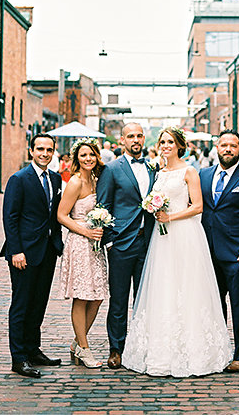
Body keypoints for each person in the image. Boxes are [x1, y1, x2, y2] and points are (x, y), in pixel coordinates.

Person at [122, 127, 231, 376]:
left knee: (188, 288)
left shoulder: (189, 171)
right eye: (162, 142)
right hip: (163, 239)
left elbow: (198, 206)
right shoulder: (158, 173)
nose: (165, 145)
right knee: (164, 287)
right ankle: (162, 352)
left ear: (179, 145)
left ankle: (194, 352)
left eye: (170, 141)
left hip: (185, 234)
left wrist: (170, 216)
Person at [0, 133, 64, 378]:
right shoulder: (19, 179)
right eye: (40, 149)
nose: (44, 153)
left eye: (49, 149)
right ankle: (19, 359)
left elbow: (53, 215)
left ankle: (33, 350)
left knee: (38, 304)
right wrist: (16, 250)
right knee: (21, 305)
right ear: (31, 151)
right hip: (23, 253)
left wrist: (57, 245)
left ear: (53, 152)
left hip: (47, 252)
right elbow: (10, 217)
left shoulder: (55, 178)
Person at [199, 130, 239, 373]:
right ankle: (217, 351)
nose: (228, 149)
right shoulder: (203, 175)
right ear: (217, 146)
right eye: (224, 144)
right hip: (206, 252)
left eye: (233, 145)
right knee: (213, 305)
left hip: (236, 254)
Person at [96, 122, 158, 370]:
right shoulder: (112, 169)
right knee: (119, 299)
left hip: (150, 242)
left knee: (145, 298)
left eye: (139, 136)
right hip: (121, 244)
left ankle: (142, 346)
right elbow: (103, 206)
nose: (136, 140)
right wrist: (110, 240)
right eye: (131, 136)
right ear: (122, 140)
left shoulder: (153, 168)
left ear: (144, 139)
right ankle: (116, 349)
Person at [57, 139, 108, 368]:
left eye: (91, 155)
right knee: (82, 296)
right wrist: (86, 231)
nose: (87, 158)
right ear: (76, 158)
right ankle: (85, 349)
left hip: (95, 247)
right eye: (83, 155)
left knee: (97, 297)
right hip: (79, 243)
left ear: (97, 156)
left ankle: (77, 343)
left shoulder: (96, 180)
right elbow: (62, 215)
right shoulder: (75, 182)